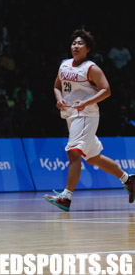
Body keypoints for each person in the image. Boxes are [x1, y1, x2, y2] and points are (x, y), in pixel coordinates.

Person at [44, 29, 135, 211]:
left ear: (88, 49)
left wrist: (85, 102)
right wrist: (59, 99)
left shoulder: (91, 68)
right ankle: (129, 180)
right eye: (74, 43)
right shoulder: (64, 65)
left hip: (86, 115)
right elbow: (56, 86)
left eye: (80, 44)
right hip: (71, 115)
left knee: (74, 153)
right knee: (93, 158)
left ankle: (66, 197)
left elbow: (106, 90)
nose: (76, 46)